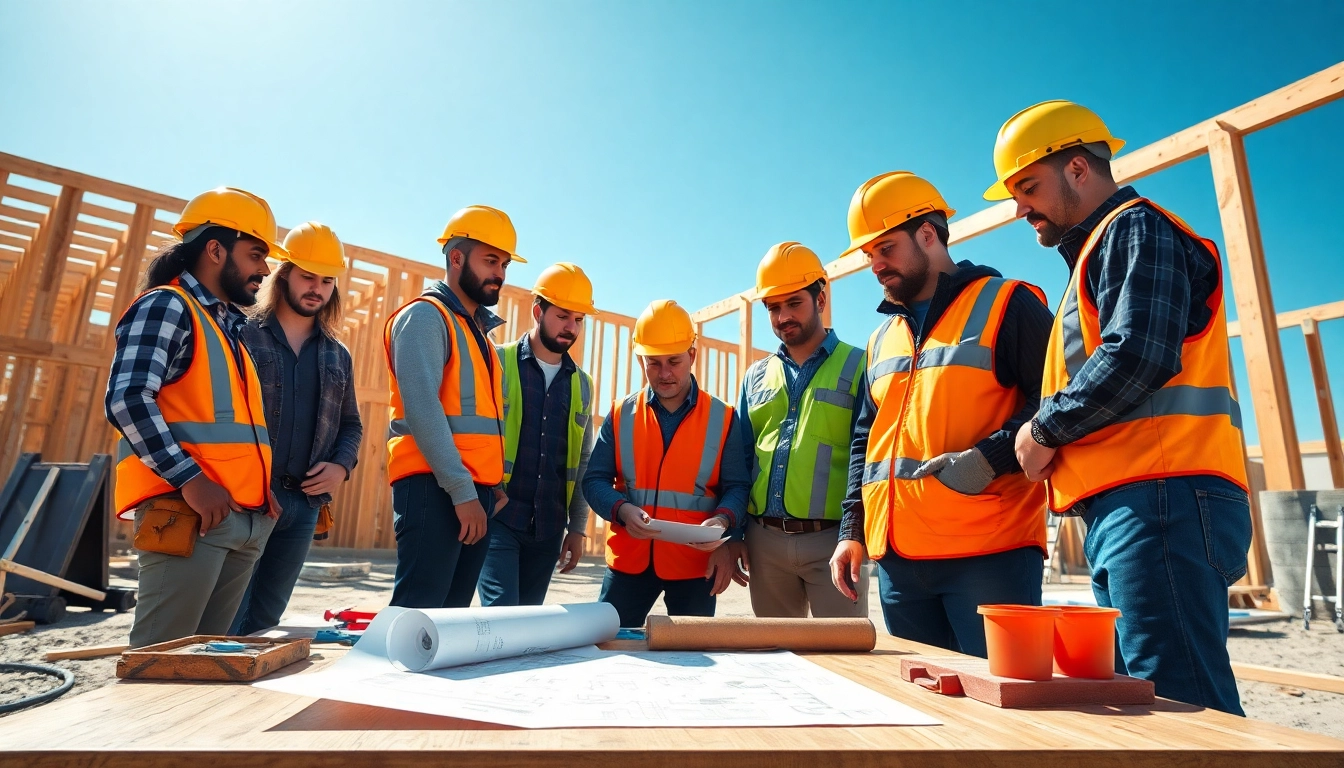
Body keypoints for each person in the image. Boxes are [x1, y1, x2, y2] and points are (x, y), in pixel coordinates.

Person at [986, 100, 1251, 714]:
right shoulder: (1101, 252)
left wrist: (1043, 430)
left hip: (1160, 496)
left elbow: (1139, 353)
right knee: (1151, 702)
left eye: (1028, 188)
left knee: (1179, 705)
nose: (1020, 209)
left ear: (1078, 168)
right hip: (1138, 501)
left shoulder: (1135, 229)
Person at [830, 171, 1054, 657]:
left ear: (928, 235)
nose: (875, 265)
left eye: (886, 248)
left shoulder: (1007, 303)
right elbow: (865, 440)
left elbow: (1056, 399)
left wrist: (989, 459)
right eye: (869, 255)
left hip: (989, 554)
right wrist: (852, 531)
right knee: (920, 698)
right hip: (898, 561)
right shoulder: (881, 338)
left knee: (1000, 696)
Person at [107, 187, 284, 648]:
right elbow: (128, 398)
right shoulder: (167, 305)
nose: (266, 270)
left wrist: (259, 493)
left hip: (239, 518)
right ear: (215, 250)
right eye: (256, 255)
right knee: (158, 664)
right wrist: (190, 479)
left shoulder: (229, 327)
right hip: (188, 515)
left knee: (204, 665)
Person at [582, 300, 751, 627]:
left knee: (691, 652)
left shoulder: (723, 417)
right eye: (653, 363)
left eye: (674, 361)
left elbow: (737, 487)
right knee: (609, 645)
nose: (664, 373)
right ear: (640, 360)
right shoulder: (621, 414)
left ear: (692, 355)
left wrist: (722, 521)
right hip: (629, 561)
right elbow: (594, 480)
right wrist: (622, 510)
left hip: (695, 564)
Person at [229, 222, 363, 635]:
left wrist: (341, 466)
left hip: (303, 506)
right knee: (225, 619)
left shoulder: (338, 354)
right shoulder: (241, 333)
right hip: (245, 499)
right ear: (284, 274)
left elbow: (351, 425)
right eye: (308, 276)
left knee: (266, 623)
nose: (317, 289)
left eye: (327, 281)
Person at [384, 205, 520, 609]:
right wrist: (463, 493)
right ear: (456, 258)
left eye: (505, 264)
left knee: (450, 622)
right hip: (435, 490)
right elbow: (423, 411)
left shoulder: (477, 333)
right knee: (417, 619)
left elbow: (479, 422)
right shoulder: (425, 318)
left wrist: (491, 486)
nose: (500, 273)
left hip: (471, 491)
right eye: (490, 260)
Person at [736, 242, 868, 618]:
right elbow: (740, 460)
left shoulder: (861, 365)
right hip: (764, 542)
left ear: (820, 299)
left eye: (794, 303)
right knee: (776, 651)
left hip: (834, 541)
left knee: (842, 650)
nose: (783, 316)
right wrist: (735, 535)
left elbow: (867, 456)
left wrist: (855, 533)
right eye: (773, 307)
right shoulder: (755, 376)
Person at [479, 263, 596, 606]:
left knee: (528, 623)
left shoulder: (582, 384)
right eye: (562, 316)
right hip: (498, 518)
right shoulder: (496, 362)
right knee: (501, 615)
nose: (571, 327)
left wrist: (577, 528)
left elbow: (582, 461)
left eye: (578, 319)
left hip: (548, 527)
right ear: (537, 312)